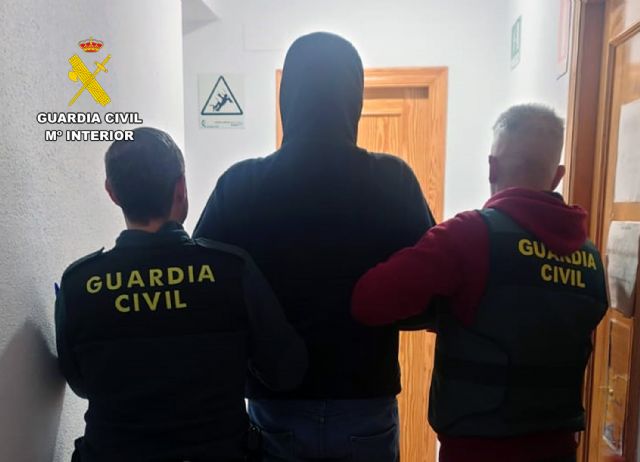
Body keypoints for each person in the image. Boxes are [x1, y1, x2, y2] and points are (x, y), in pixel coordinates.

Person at [194, 32, 435, 461]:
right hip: (364, 397)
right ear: (354, 98)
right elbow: (429, 293)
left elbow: (204, 288)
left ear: (288, 96)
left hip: (276, 402)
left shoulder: (241, 184)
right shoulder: (392, 180)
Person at [352, 104, 608, 462]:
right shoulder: (590, 257)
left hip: (477, 449)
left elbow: (368, 301)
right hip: (559, 448)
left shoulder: (469, 236)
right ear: (557, 176)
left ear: (492, 167)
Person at [54, 127, 307, 462]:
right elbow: (285, 370)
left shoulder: (79, 284)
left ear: (112, 192)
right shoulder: (231, 270)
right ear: (181, 188)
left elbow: (81, 383)